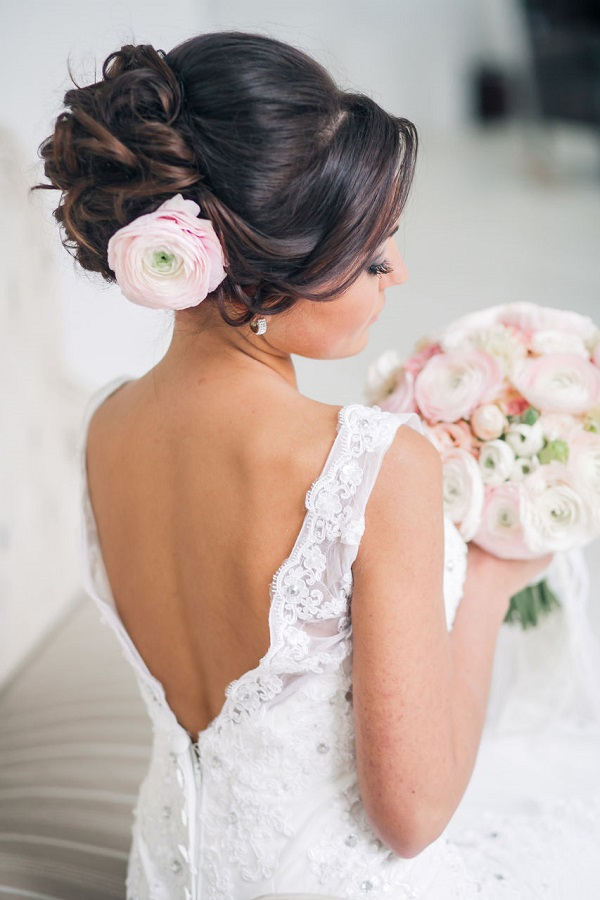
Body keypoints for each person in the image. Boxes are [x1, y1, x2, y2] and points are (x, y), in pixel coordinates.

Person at [33, 31, 600, 900]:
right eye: (371, 255)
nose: (399, 273)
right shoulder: (375, 467)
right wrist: (486, 581)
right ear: (258, 271)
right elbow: (411, 819)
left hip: (166, 875)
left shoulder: (103, 424)